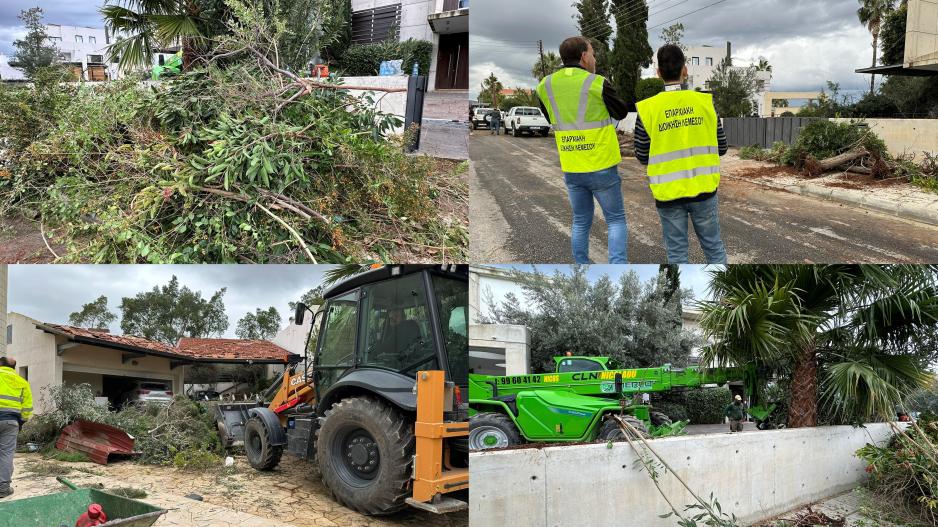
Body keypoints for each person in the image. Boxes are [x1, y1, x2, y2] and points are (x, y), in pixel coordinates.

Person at [536, 36, 630, 264]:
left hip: (572, 166)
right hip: (601, 164)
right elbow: (622, 113)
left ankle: (581, 264)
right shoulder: (597, 82)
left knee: (580, 220)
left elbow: (550, 118)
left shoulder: (544, 86)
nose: (594, 58)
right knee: (615, 220)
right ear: (583, 56)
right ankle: (618, 265)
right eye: (593, 53)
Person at [634, 44, 729, 264]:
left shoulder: (647, 109)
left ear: (658, 73)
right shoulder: (705, 103)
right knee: (714, 249)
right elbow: (722, 147)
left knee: (676, 255)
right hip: (704, 190)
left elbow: (641, 154)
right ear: (685, 70)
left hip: (668, 195)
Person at [0, 356, 32, 499]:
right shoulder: (22, 382)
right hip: (11, 421)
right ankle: (3, 488)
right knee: (6, 453)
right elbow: (27, 408)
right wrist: (21, 422)